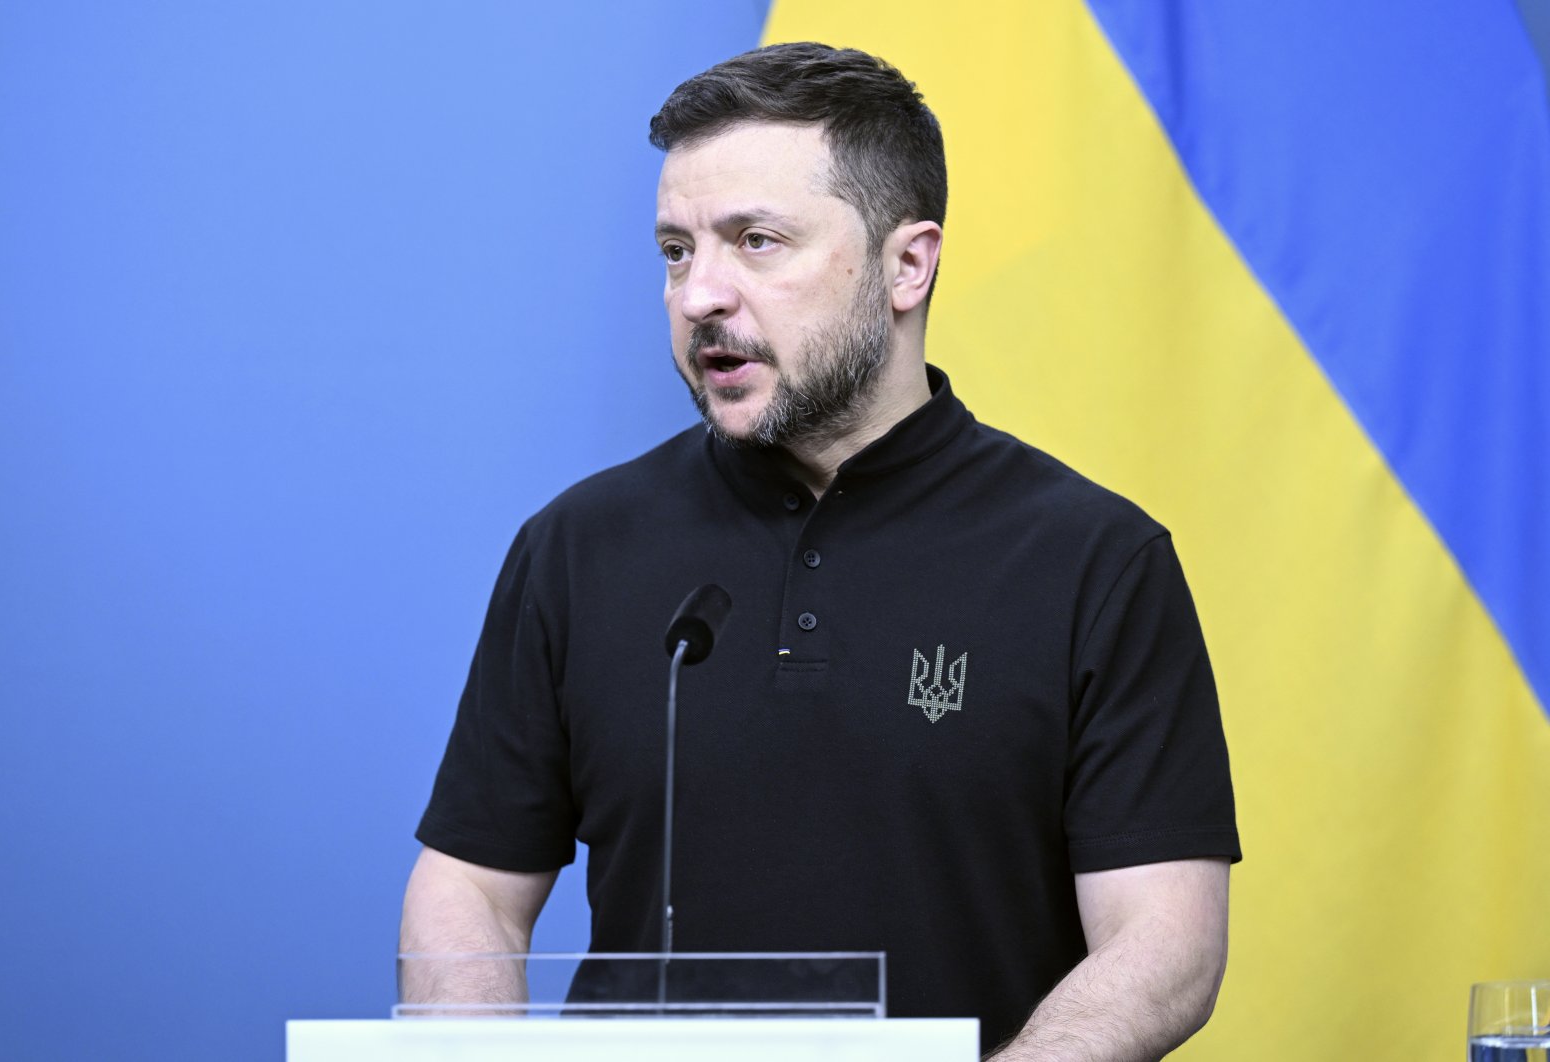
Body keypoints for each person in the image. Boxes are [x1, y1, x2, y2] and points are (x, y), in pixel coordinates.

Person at [401, 42, 1240, 1060]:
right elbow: (472, 891)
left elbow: (1166, 945)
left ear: (906, 264)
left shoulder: (1093, 562)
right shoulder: (577, 546)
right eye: (676, 250)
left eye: (754, 241)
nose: (699, 293)